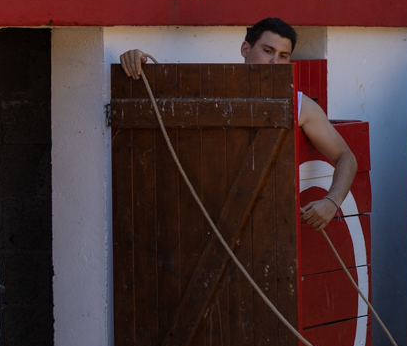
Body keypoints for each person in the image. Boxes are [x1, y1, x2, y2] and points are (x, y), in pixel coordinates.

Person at [120, 17, 355, 231]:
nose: (275, 62)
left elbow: (346, 156)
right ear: (245, 49)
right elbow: (158, 103)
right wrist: (136, 59)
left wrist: (331, 201)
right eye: (267, 50)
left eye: (283, 56)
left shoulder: (300, 105)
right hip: (200, 218)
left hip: (267, 223)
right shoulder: (213, 89)